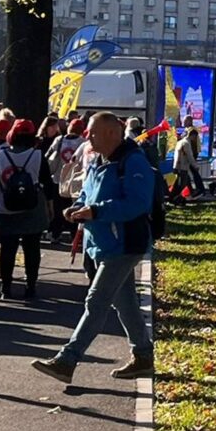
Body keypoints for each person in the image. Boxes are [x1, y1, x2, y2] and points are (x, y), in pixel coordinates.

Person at [31, 112, 154, 383]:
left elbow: (137, 203)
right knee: (125, 304)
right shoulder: (100, 159)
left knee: (96, 301)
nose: (88, 137)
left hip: (125, 244)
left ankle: (67, 359)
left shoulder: (133, 161)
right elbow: (88, 192)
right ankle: (143, 356)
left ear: (112, 133)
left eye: (93, 132)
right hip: (106, 243)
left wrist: (95, 212)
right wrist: (77, 209)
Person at [0, 119, 56, 300]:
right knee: (32, 248)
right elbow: (47, 183)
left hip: (5, 207)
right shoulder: (37, 155)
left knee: (7, 249)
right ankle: (31, 286)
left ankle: (5, 287)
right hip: (32, 206)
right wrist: (50, 207)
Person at [45, 118, 87, 242]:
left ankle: (54, 234)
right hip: (74, 182)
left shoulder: (59, 139)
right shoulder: (82, 142)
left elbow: (49, 154)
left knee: (58, 210)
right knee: (74, 208)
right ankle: (75, 236)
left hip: (58, 179)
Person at [180, 115, 206, 197]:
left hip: (191, 153)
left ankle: (199, 189)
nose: (183, 122)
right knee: (189, 172)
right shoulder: (187, 130)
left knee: (191, 171)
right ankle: (195, 189)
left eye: (185, 121)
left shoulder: (192, 130)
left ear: (189, 121)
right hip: (188, 153)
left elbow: (191, 142)